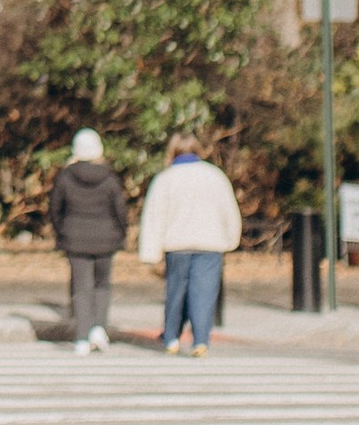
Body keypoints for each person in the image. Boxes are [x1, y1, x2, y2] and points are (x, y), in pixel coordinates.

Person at [138, 133, 245, 351]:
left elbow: (155, 215)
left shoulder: (166, 179)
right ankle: (201, 340)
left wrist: (150, 251)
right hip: (210, 243)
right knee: (204, 293)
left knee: (176, 292)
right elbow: (229, 210)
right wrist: (231, 239)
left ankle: (171, 337)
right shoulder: (214, 176)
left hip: (177, 244)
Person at [48, 128, 128, 352]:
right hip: (106, 238)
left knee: (81, 287)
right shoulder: (109, 177)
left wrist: (62, 231)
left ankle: (82, 337)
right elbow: (120, 210)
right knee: (102, 284)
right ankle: (98, 328)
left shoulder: (65, 176)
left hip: (75, 239)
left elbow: (55, 208)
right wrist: (120, 232)